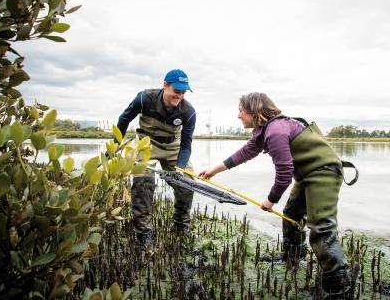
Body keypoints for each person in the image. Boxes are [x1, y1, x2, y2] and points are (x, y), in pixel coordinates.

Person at [199, 92, 356, 298]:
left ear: (255, 111)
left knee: (321, 229)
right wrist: (213, 171)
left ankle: (338, 288)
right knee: (291, 213)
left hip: (324, 173)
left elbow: (283, 173)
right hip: (307, 175)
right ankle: (293, 257)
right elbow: (243, 154)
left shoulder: (275, 131)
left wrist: (270, 200)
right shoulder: (264, 130)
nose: (238, 115)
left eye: (241, 111)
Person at [116, 69, 196, 246]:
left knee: (187, 181)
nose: (179, 96)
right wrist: (115, 144)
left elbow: (186, 145)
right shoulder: (144, 98)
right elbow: (124, 119)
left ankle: (181, 225)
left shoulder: (188, 112)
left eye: (183, 92)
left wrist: (180, 168)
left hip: (173, 147)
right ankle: (143, 232)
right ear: (165, 85)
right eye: (176, 91)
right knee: (143, 181)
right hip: (146, 143)